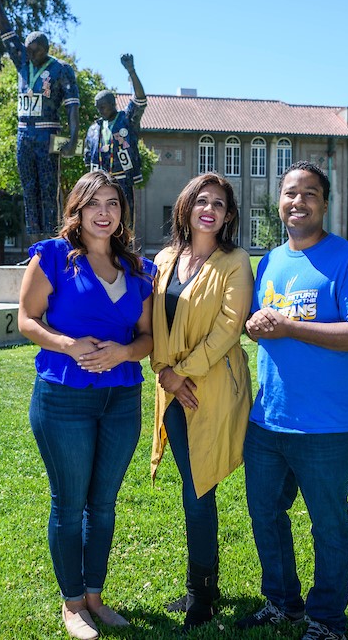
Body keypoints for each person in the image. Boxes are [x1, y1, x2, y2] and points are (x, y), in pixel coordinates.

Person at [238, 161, 348, 640]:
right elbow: (266, 328)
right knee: (265, 513)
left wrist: (288, 326)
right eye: (289, 193)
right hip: (268, 420)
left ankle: (326, 620)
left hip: (328, 426)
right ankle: (283, 602)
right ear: (278, 202)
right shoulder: (269, 262)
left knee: (329, 527)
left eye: (309, 194)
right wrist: (256, 327)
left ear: (325, 203)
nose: (297, 202)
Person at [17, 170, 154, 640]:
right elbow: (26, 320)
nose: (104, 212)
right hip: (63, 398)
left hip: (121, 399)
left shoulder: (138, 269)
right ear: (76, 210)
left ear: (122, 213)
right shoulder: (54, 257)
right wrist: (68, 344)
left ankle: (95, 595)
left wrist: (122, 353)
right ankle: (72, 604)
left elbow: (148, 338)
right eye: (94, 203)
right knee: (70, 503)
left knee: (104, 504)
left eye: (113, 204)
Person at [148, 173, 253, 630]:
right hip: (172, 390)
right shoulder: (166, 258)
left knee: (199, 489)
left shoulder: (235, 262)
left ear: (228, 216)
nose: (208, 209)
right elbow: (152, 323)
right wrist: (163, 374)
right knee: (193, 489)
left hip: (210, 388)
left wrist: (180, 373)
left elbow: (229, 329)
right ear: (186, 208)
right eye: (201, 201)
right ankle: (201, 586)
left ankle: (202, 595)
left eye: (219, 204)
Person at [0, 0, 80, 235]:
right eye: (27, 50)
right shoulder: (22, 64)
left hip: (48, 133)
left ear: (45, 49)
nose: (29, 53)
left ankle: (52, 239)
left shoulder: (62, 69)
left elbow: (73, 105)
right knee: (28, 189)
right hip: (23, 134)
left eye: (34, 50)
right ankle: (35, 243)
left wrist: (73, 138)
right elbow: (5, 30)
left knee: (48, 187)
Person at [83, 55, 146, 212]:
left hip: (122, 178)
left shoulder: (126, 119)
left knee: (124, 216)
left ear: (113, 104)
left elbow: (140, 99)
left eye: (103, 107)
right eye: (97, 107)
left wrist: (131, 70)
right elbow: (86, 157)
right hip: (99, 182)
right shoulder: (93, 129)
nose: (100, 111)